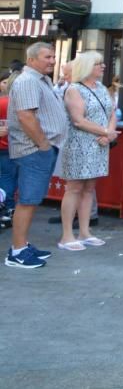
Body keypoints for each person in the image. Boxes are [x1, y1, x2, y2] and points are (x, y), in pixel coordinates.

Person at [5, 43, 66, 268]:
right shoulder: (28, 81)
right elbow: (26, 117)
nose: (52, 60)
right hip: (34, 150)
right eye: (47, 57)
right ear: (31, 60)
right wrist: (42, 144)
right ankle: (17, 252)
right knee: (28, 201)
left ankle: (22, 245)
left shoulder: (40, 79)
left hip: (41, 148)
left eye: (53, 56)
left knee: (31, 200)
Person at [59, 52, 116, 251]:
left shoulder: (101, 88)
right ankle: (67, 235)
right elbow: (78, 120)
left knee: (89, 188)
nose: (103, 66)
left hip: (99, 144)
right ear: (86, 67)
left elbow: (112, 112)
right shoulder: (74, 89)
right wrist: (106, 132)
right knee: (74, 188)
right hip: (78, 144)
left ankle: (84, 232)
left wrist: (107, 134)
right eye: (98, 64)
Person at [0, 72, 14, 227]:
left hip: (11, 147)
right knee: (8, 178)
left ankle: (8, 207)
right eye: (3, 81)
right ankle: (8, 207)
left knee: (8, 178)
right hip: (7, 147)